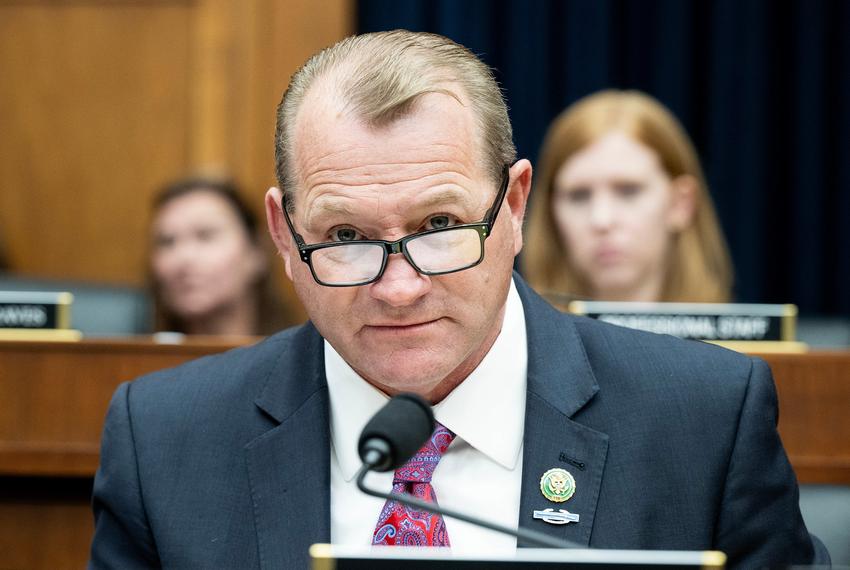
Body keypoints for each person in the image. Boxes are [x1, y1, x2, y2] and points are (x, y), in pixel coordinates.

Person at [89, 30, 828, 568]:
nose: (400, 286)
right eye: (345, 234)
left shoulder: (700, 423)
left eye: (440, 226)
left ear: (513, 205)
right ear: (284, 234)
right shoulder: (164, 444)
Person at [524, 90, 733, 303]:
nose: (602, 220)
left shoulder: (740, 337)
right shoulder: (520, 336)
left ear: (681, 203)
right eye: (579, 196)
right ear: (550, 210)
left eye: (628, 191)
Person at [149, 176, 290, 336]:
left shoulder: (308, 354)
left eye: (206, 235)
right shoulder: (134, 359)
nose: (183, 257)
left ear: (255, 251)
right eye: (167, 242)